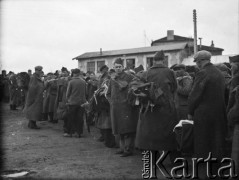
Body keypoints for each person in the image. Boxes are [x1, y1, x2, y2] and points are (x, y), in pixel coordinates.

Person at [188, 50, 227, 178]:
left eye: (197, 62)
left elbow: (195, 95)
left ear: (200, 61)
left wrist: (190, 111)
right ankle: (216, 172)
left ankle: (204, 174)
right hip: (219, 113)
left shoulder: (203, 73)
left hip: (203, 115)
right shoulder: (219, 73)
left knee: (202, 144)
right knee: (216, 142)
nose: (197, 64)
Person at [135, 51, 179, 162]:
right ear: (163, 60)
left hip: (150, 108)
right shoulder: (170, 72)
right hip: (166, 108)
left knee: (151, 134)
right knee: (170, 133)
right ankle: (174, 160)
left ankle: (152, 161)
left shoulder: (146, 73)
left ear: (153, 60)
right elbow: (174, 88)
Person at [106, 58, 136, 157]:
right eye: (116, 67)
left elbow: (127, 88)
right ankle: (122, 148)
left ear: (123, 67)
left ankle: (128, 149)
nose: (118, 69)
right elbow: (108, 93)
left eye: (120, 67)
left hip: (126, 107)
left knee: (127, 129)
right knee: (118, 129)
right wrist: (112, 103)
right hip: (115, 107)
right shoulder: (112, 78)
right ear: (114, 68)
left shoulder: (129, 77)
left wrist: (128, 101)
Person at [96, 65, 115, 148]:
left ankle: (108, 141)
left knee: (107, 123)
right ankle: (105, 138)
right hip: (103, 103)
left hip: (106, 102)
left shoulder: (107, 78)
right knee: (105, 122)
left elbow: (106, 90)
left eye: (104, 70)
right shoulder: (103, 78)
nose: (104, 71)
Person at [65, 68, 87, 137]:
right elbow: (85, 92)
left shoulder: (71, 82)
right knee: (79, 118)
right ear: (79, 73)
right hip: (81, 102)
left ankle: (70, 132)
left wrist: (67, 100)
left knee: (71, 118)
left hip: (72, 102)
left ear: (73, 74)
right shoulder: (83, 82)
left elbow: (68, 93)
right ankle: (79, 133)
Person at [227, 54, 239, 173]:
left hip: (236, 117)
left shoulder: (235, 79)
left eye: (232, 65)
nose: (230, 67)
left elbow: (231, 99)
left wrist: (228, 113)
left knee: (236, 152)